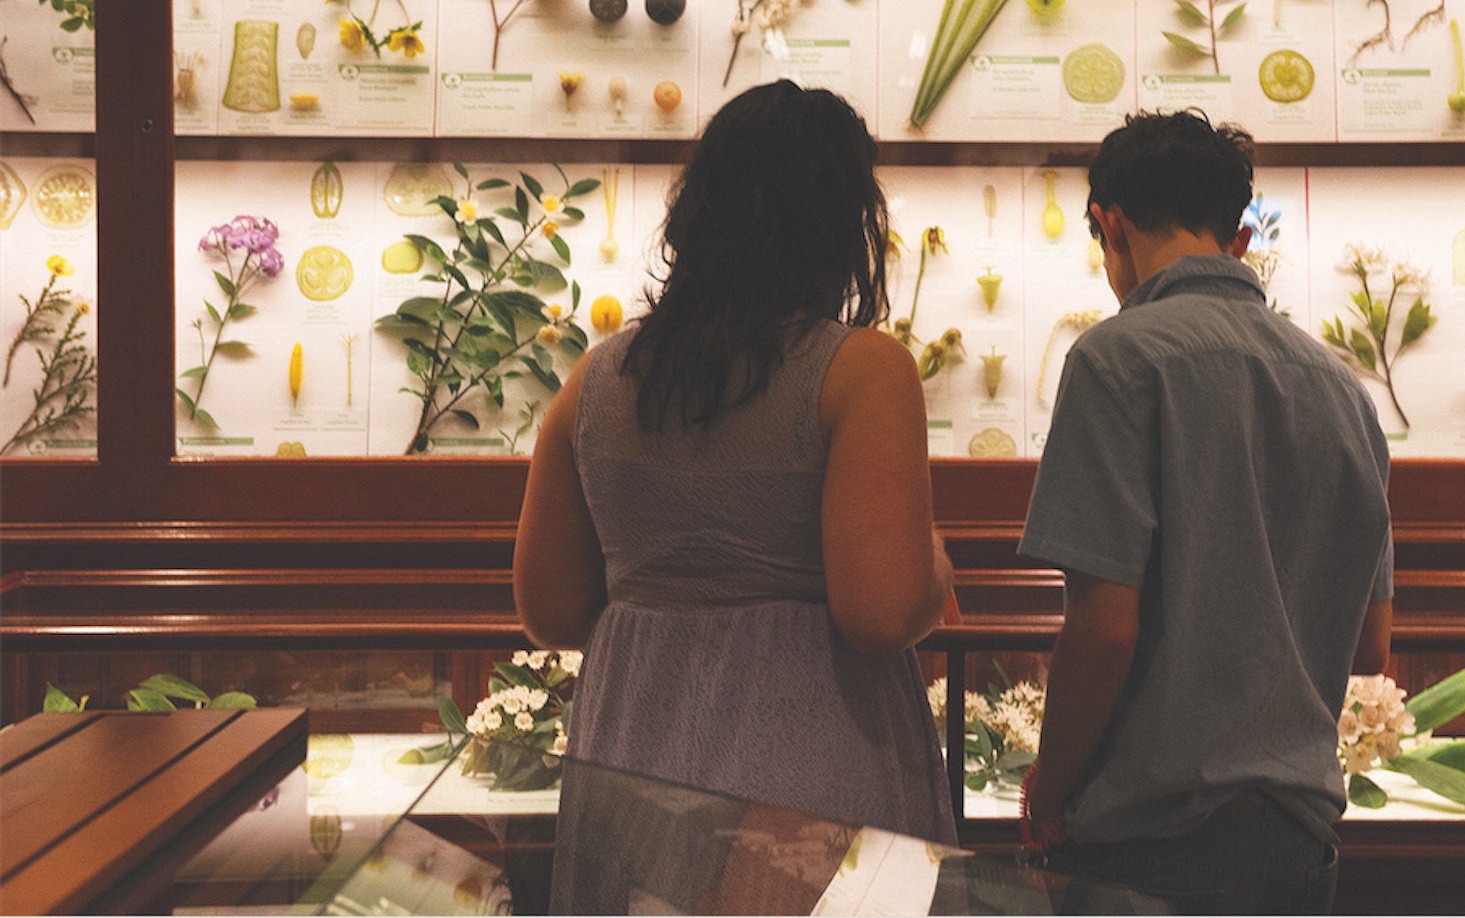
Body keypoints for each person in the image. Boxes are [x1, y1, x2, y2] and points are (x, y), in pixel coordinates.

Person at [515, 82, 959, 898]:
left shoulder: (595, 378)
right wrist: (933, 566)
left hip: (630, 754)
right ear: (843, 221)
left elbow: (547, 609)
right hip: (812, 764)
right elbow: (878, 611)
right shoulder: (860, 370)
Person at [1020, 110, 1394, 915]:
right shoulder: (1344, 390)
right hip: (1301, 850)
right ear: (1240, 241)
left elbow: (1102, 633)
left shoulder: (1115, 361)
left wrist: (1049, 791)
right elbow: (1371, 645)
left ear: (1107, 224)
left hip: (1153, 859)